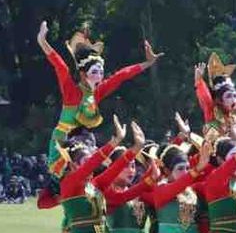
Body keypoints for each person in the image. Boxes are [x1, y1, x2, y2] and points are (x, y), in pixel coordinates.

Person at [36, 21, 161, 177]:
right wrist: (42, 41)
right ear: (82, 74)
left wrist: (148, 63)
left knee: (97, 170)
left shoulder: (97, 92)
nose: (100, 76)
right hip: (64, 141)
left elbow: (121, 76)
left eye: (101, 72)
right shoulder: (72, 92)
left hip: (84, 141)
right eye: (95, 71)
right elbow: (60, 66)